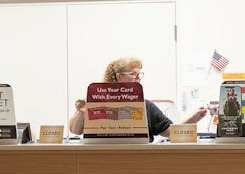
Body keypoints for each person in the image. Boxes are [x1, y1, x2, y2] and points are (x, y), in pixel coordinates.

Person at [67, 56, 207, 140]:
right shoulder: (96, 100)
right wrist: (81, 111)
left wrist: (193, 118)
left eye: (140, 75)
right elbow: (74, 130)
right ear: (119, 76)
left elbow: (170, 132)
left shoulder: (145, 106)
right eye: (134, 74)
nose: (138, 78)